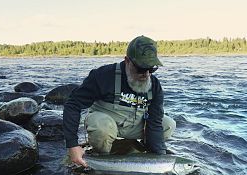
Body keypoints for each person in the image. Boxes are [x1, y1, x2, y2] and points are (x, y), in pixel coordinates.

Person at [63, 35, 176, 167]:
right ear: (127, 61)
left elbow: (155, 122)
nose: (146, 74)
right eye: (140, 68)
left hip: (133, 127)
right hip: (105, 125)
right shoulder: (103, 76)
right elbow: (73, 105)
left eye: (151, 68)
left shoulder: (155, 85)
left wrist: (160, 158)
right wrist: (72, 145)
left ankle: (142, 149)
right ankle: (101, 157)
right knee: (102, 126)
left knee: (168, 124)